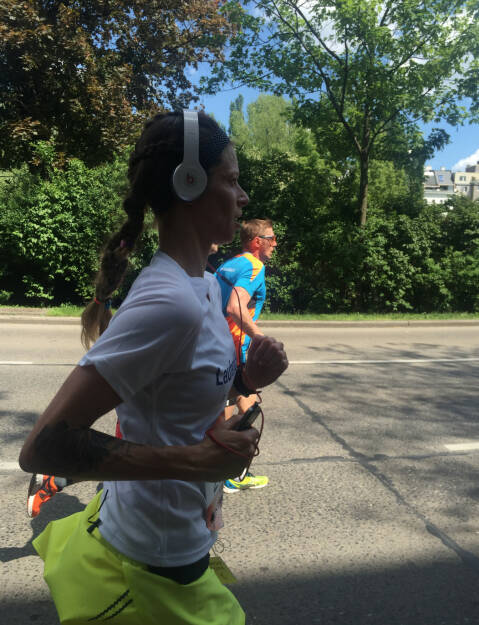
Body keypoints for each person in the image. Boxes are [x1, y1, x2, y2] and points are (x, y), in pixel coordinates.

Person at [19, 110, 288, 625]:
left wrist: (248, 379)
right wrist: (196, 462)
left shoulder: (203, 285)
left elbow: (182, 389)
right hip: (154, 561)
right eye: (231, 180)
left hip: (175, 536)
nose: (243, 196)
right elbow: (44, 447)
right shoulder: (170, 302)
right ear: (190, 184)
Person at [215, 219, 277, 493]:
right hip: (233, 351)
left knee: (240, 407)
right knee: (240, 413)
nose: (275, 244)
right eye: (271, 239)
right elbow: (234, 307)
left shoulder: (230, 264)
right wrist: (262, 340)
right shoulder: (254, 266)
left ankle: (226, 470)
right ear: (257, 242)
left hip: (218, 345)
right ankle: (228, 473)